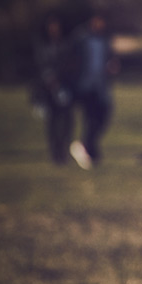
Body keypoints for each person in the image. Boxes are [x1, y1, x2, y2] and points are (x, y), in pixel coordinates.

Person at [70, 12, 118, 169]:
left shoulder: (105, 40)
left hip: (101, 86)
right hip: (85, 85)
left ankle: (87, 146)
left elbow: (109, 58)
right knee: (90, 119)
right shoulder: (81, 39)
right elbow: (71, 58)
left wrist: (111, 66)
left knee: (104, 115)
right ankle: (89, 150)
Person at [33, 14, 77, 165]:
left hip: (65, 88)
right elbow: (39, 67)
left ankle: (63, 150)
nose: (54, 30)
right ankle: (55, 153)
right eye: (51, 27)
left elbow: (71, 66)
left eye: (56, 27)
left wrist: (61, 81)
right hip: (48, 91)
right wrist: (49, 80)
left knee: (67, 122)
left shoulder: (66, 45)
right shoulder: (42, 47)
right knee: (52, 123)